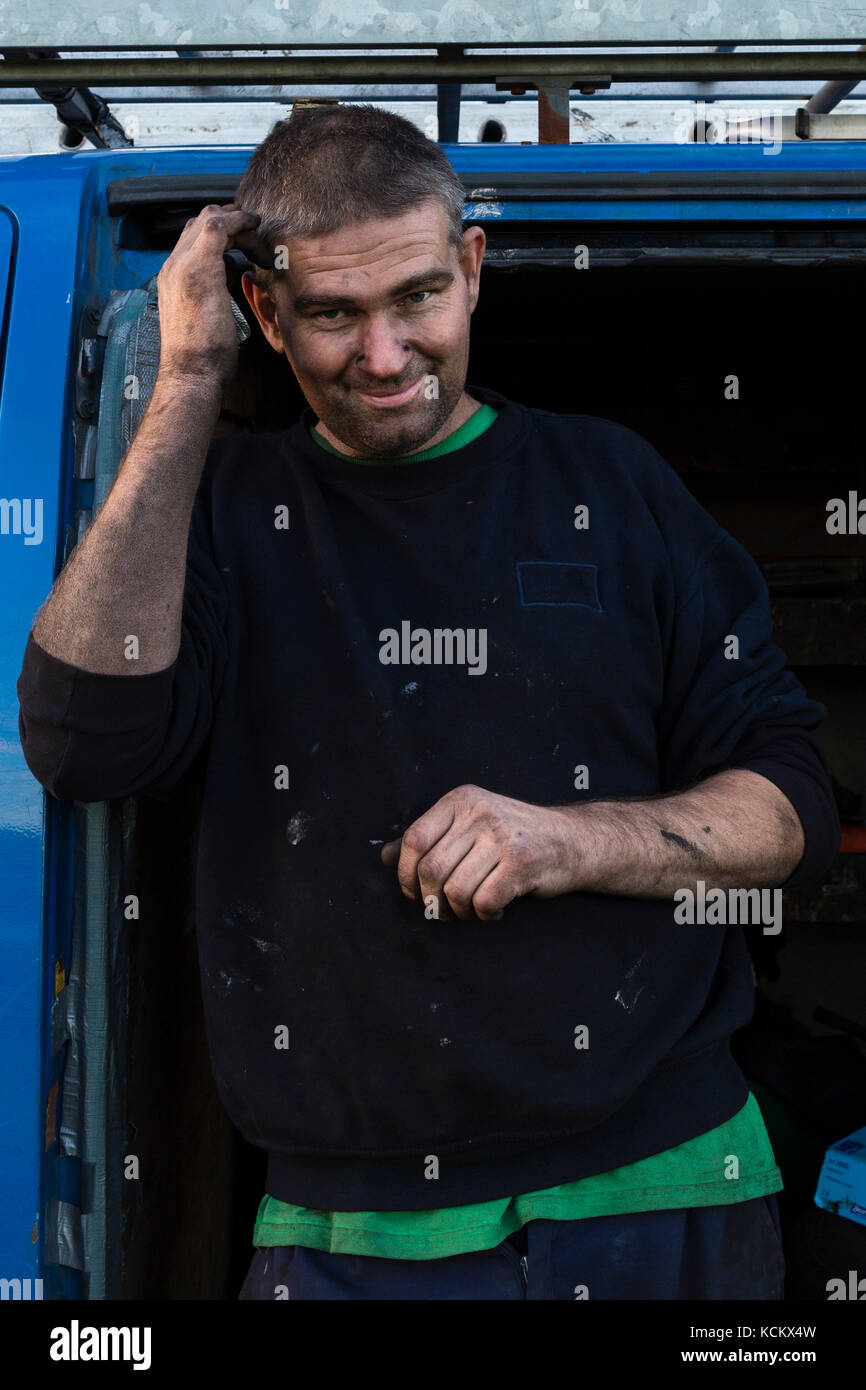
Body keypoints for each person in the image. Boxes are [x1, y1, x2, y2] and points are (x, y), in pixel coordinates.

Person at [17, 104, 840, 1301]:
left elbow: (793, 815)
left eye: (415, 297)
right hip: (352, 1235)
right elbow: (82, 741)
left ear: (471, 267)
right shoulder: (224, 513)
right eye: (332, 315)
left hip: (664, 1192)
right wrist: (184, 375)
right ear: (262, 312)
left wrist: (565, 838)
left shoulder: (608, 482)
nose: (387, 355)